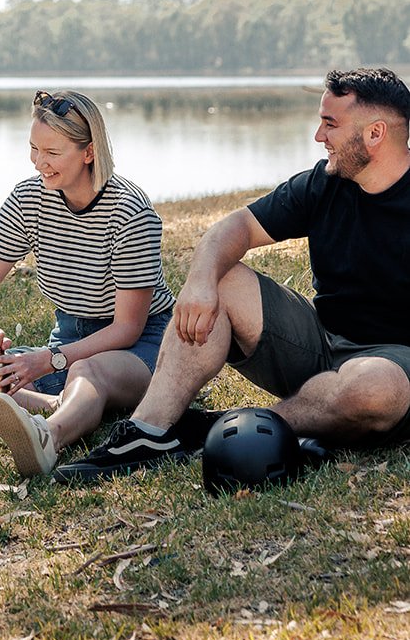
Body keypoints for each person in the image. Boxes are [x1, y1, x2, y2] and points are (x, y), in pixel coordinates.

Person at [56, 66, 410, 482]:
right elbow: (234, 229)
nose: (318, 137)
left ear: (375, 134)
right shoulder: (323, 184)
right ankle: (148, 431)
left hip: (393, 363)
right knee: (222, 277)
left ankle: (219, 430)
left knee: (373, 389)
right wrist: (202, 281)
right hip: (319, 344)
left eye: (330, 124)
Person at [0, 90, 174, 477]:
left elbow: (127, 327)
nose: (39, 163)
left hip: (141, 347)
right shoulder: (30, 198)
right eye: (33, 149)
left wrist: (47, 360)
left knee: (87, 372)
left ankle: (50, 436)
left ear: (89, 152)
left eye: (52, 152)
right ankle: (55, 405)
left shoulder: (130, 212)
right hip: (64, 345)